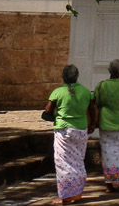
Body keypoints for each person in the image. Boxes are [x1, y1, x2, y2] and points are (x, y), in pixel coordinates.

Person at [45, 65, 91, 205]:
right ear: (77, 76)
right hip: (81, 129)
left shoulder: (58, 92)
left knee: (63, 162)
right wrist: (93, 124)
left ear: (63, 77)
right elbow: (92, 109)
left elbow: (48, 110)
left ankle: (66, 196)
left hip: (63, 131)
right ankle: (77, 193)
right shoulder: (85, 91)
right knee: (78, 160)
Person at [92, 59, 119, 191]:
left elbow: (95, 102)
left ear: (109, 70)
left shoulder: (101, 85)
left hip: (105, 124)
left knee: (107, 153)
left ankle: (108, 184)